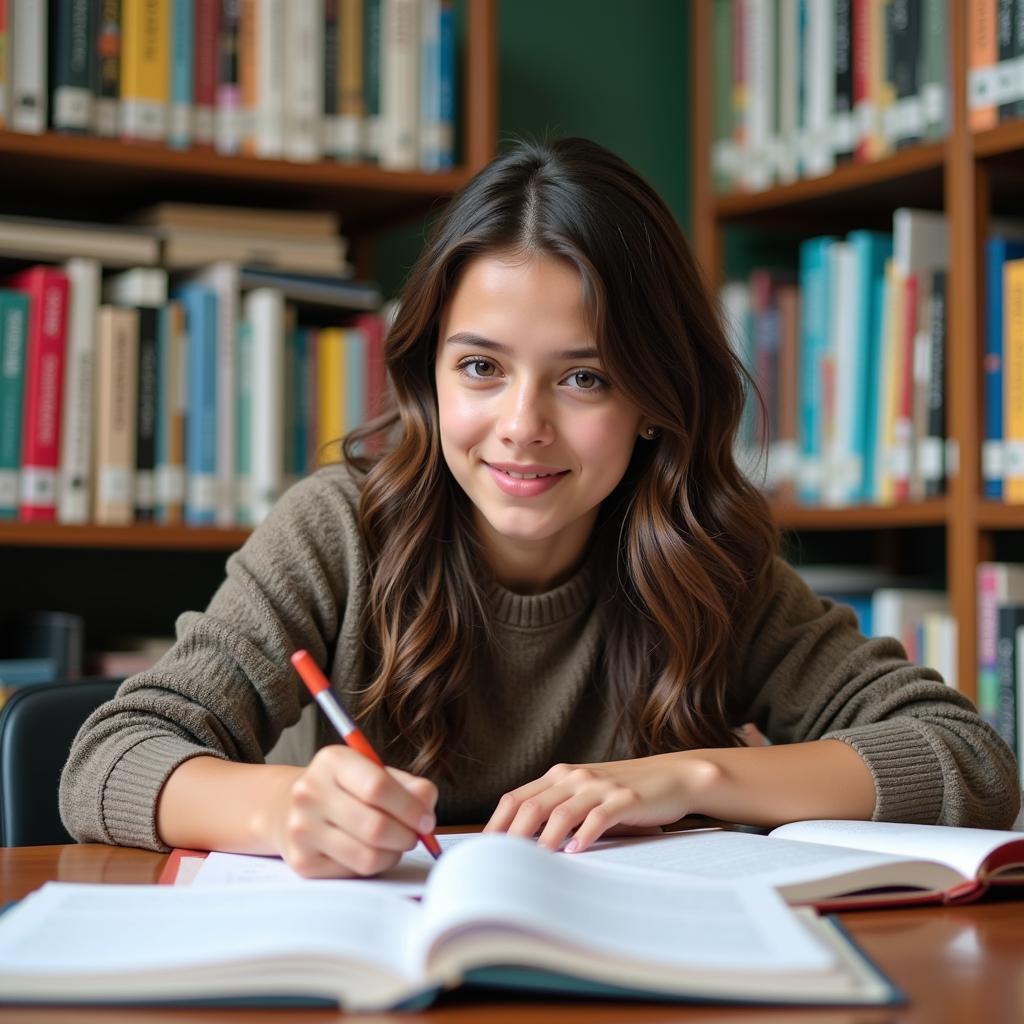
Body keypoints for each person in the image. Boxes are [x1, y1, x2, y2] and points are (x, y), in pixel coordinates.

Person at [60, 138, 1019, 878]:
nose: (522, 426)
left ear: (652, 400)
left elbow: (967, 759)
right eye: (481, 367)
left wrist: (690, 776)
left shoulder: (702, 557)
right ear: (430, 380)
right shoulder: (337, 533)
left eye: (585, 378)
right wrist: (285, 809)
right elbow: (108, 758)